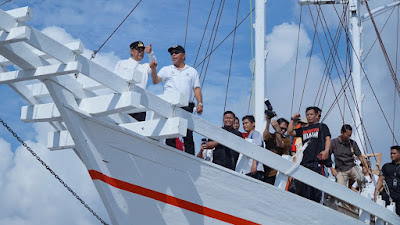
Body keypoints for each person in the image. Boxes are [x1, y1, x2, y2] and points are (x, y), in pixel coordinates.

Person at [150, 44, 203, 155]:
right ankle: (171, 155)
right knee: (170, 132)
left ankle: (190, 158)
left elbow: (196, 88)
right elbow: (155, 81)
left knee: (187, 133)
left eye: (176, 52)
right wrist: (153, 70)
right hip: (170, 104)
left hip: (186, 105)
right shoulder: (166, 69)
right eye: (171, 53)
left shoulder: (192, 71)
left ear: (183, 56)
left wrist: (200, 103)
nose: (173, 55)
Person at [287, 106, 331, 203]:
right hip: (305, 163)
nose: (309, 116)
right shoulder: (303, 129)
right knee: (303, 191)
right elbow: (289, 132)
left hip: (317, 163)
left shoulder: (322, 126)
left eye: (311, 114)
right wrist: (293, 119)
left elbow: (327, 138)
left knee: (317, 192)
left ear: (316, 115)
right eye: (307, 115)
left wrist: (326, 150)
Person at [114, 41, 156, 121]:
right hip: (123, 100)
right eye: (138, 50)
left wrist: (150, 53)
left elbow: (154, 65)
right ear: (131, 51)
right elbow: (115, 79)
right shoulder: (122, 63)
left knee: (137, 131)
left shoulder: (144, 67)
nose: (141, 52)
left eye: (142, 50)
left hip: (139, 105)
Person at [330, 124, 368, 188]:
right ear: (342, 132)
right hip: (340, 170)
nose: (348, 137)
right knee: (340, 188)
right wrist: (332, 169)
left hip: (351, 166)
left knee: (361, 179)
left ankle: (362, 194)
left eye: (350, 135)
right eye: (347, 135)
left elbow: (360, 157)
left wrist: (367, 169)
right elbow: (328, 156)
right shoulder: (333, 142)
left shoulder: (352, 143)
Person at [263, 117, 291, 185]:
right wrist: (268, 122)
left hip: (277, 172)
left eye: (285, 129)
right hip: (265, 170)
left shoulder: (287, 140)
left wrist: (278, 131)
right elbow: (265, 137)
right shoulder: (271, 136)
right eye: (281, 128)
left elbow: (279, 144)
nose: (283, 131)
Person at [235, 115, 264, 180]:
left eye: (246, 123)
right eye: (243, 124)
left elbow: (257, 148)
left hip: (255, 168)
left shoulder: (255, 134)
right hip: (248, 169)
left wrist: (254, 164)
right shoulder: (249, 136)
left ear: (253, 123)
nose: (244, 125)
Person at [374, 145, 400, 216]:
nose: (392, 155)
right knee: (385, 215)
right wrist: (376, 192)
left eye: (394, 153)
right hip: (387, 195)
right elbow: (381, 180)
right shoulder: (386, 166)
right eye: (391, 153)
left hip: (398, 197)